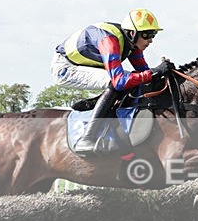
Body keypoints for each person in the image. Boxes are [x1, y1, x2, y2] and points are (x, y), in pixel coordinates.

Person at [51, 8, 173, 154]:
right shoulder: (110, 42)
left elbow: (144, 73)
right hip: (65, 68)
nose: (150, 40)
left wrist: (163, 73)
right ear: (132, 33)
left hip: (81, 65)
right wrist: (153, 72)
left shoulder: (132, 44)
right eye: (147, 35)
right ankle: (86, 138)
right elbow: (119, 82)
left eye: (153, 35)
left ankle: (99, 104)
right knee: (115, 83)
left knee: (134, 80)